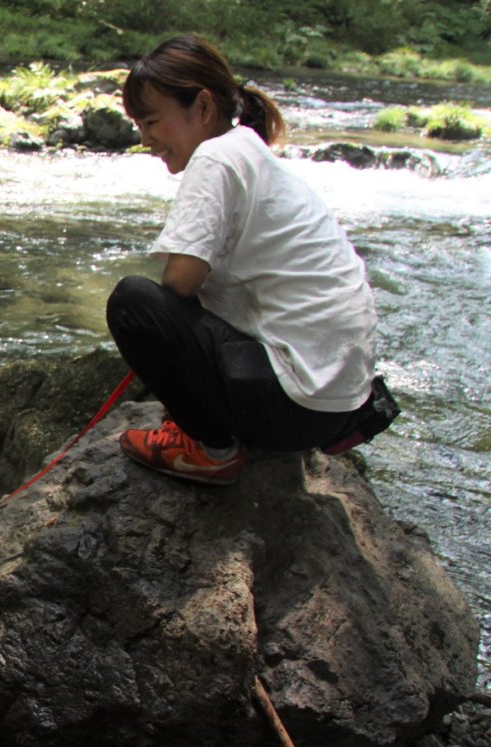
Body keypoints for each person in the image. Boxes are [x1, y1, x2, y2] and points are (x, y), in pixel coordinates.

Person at [106, 34, 393, 486]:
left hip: (296, 405)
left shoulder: (216, 158)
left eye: (152, 121)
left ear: (203, 106)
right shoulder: (249, 150)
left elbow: (180, 282)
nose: (145, 139)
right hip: (339, 405)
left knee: (133, 302)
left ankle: (211, 450)